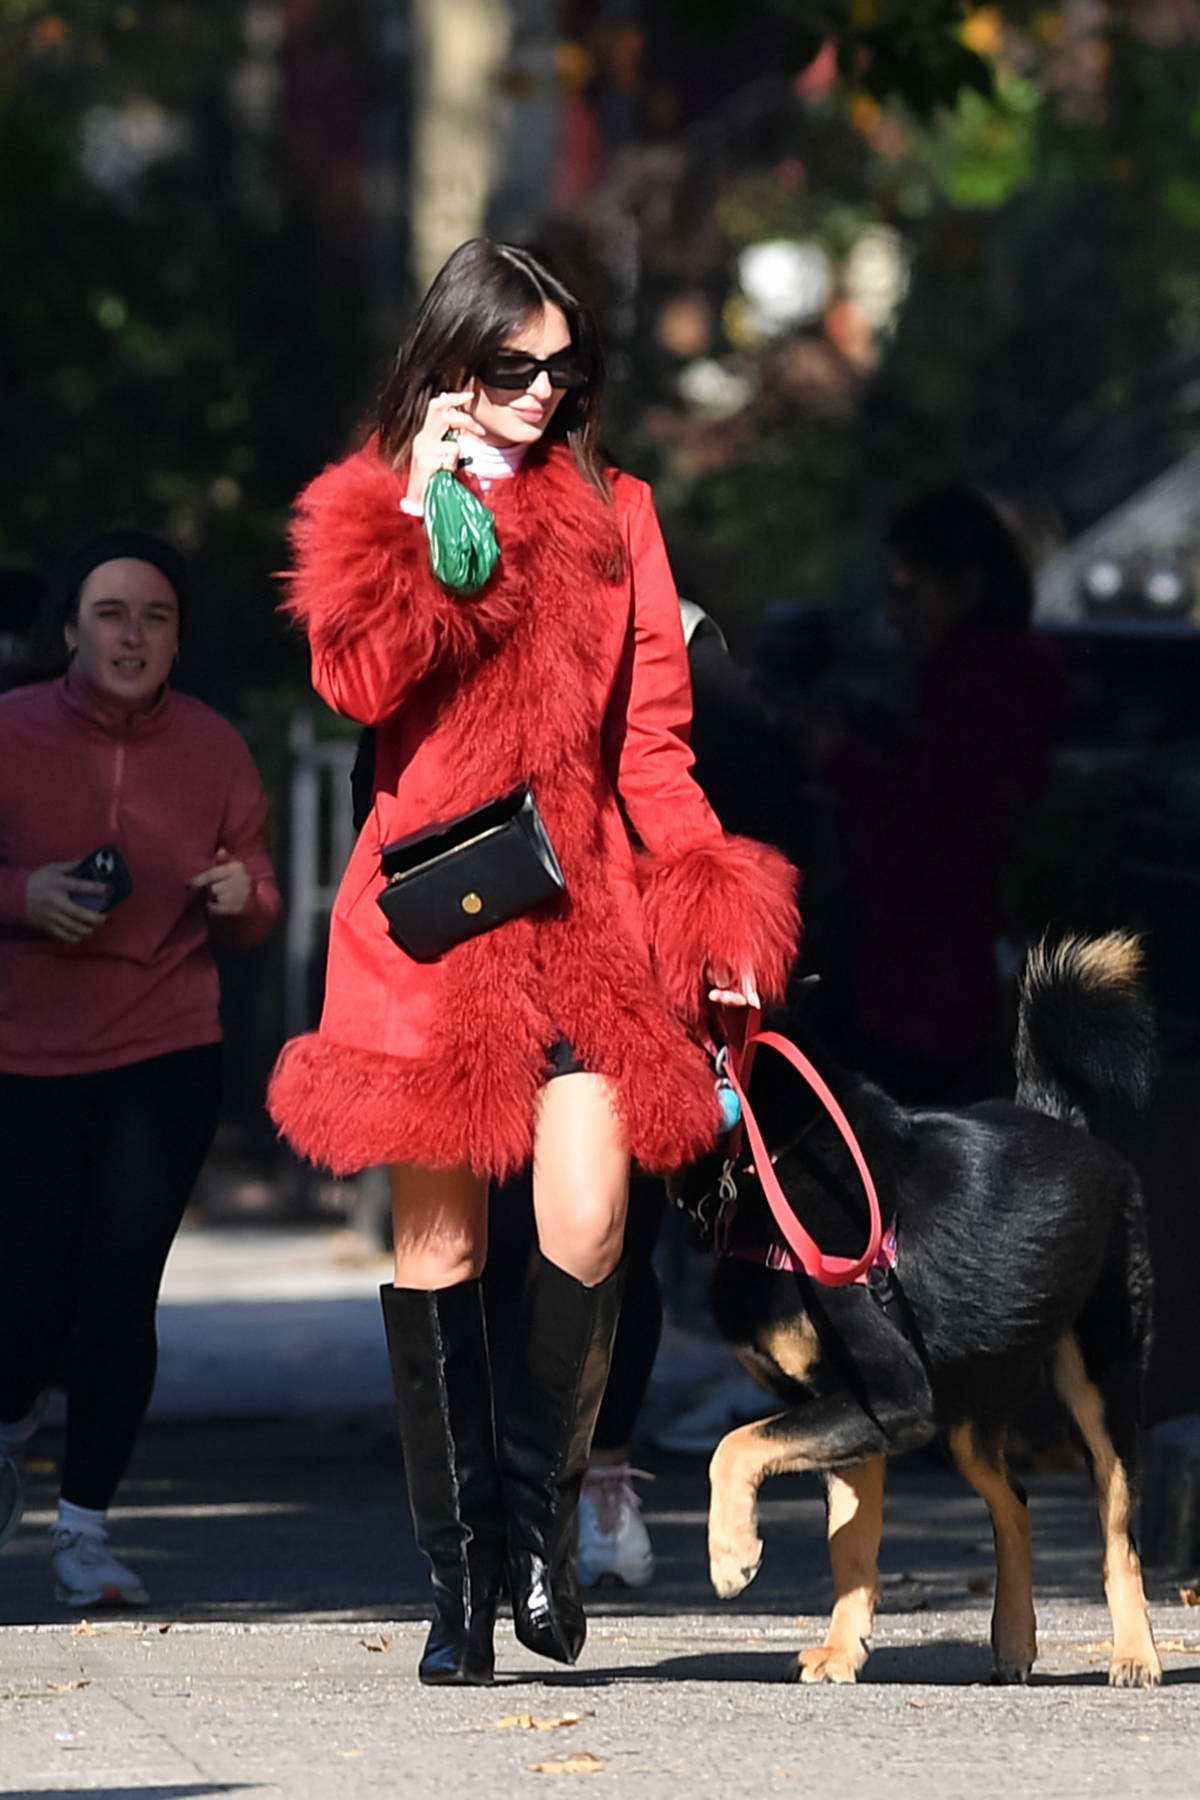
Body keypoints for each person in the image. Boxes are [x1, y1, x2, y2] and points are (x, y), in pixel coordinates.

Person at [267, 238, 800, 1685]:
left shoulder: (621, 513)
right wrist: (430, 512)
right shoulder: (367, 504)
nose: (544, 392)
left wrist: (713, 909)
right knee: (438, 1250)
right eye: (514, 367)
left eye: (566, 368)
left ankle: (548, 1526)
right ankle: (460, 1586)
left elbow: (656, 745)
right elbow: (356, 685)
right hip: (431, 929)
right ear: (450, 365)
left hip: (587, 926)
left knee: (591, 1228)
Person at [0, 530, 281, 1606]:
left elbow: (259, 895)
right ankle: (15, 1409)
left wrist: (238, 897)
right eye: (111, 613)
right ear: (71, 629)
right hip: (24, 1052)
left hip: (163, 1049)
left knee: (120, 1293)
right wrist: (20, 893)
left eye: (154, 617)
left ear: (176, 639)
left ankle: (85, 1536)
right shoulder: (12, 730)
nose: (132, 634)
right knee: (22, 1299)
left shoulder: (213, 747)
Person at [801, 484, 1060, 1102]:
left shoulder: (981, 695)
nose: (894, 612)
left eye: (908, 590)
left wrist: (839, 757)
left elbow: (925, 845)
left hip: (928, 999)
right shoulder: (977, 686)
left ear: (964, 589)